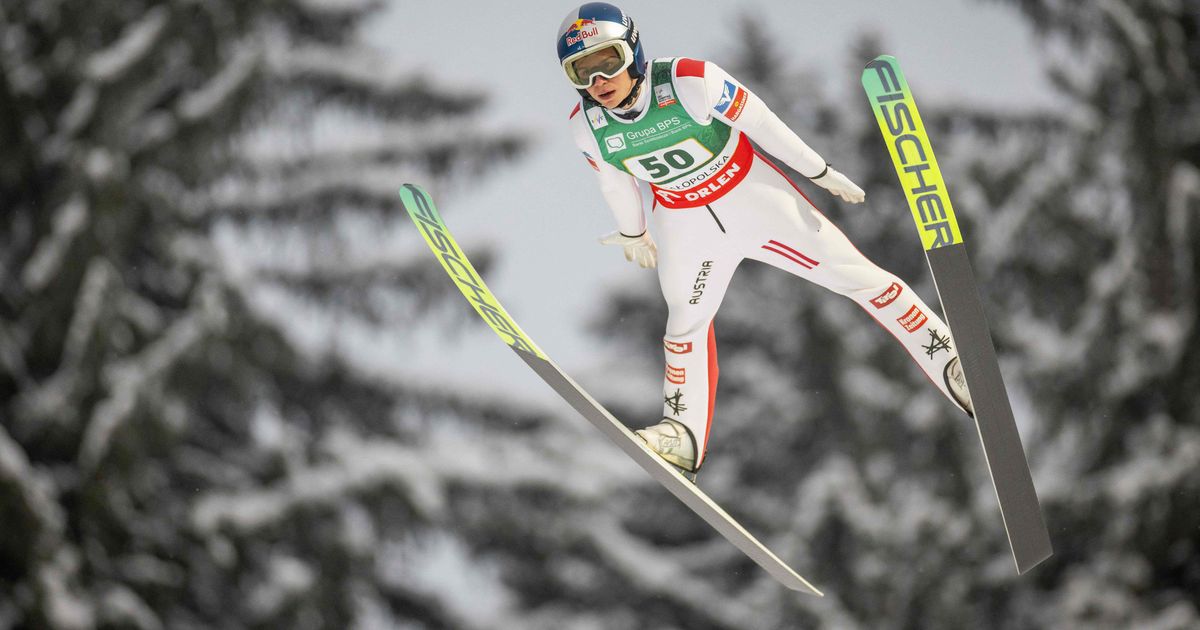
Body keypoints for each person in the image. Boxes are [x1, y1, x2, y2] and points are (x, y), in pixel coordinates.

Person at [557, 2, 973, 480]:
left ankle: (947, 356)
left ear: (631, 50)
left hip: (751, 197)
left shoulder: (690, 80)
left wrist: (819, 171)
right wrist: (634, 231)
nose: (597, 82)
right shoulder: (587, 126)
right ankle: (682, 434)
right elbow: (613, 182)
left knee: (856, 278)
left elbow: (762, 123)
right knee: (684, 325)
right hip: (685, 222)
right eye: (581, 72)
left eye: (606, 62)